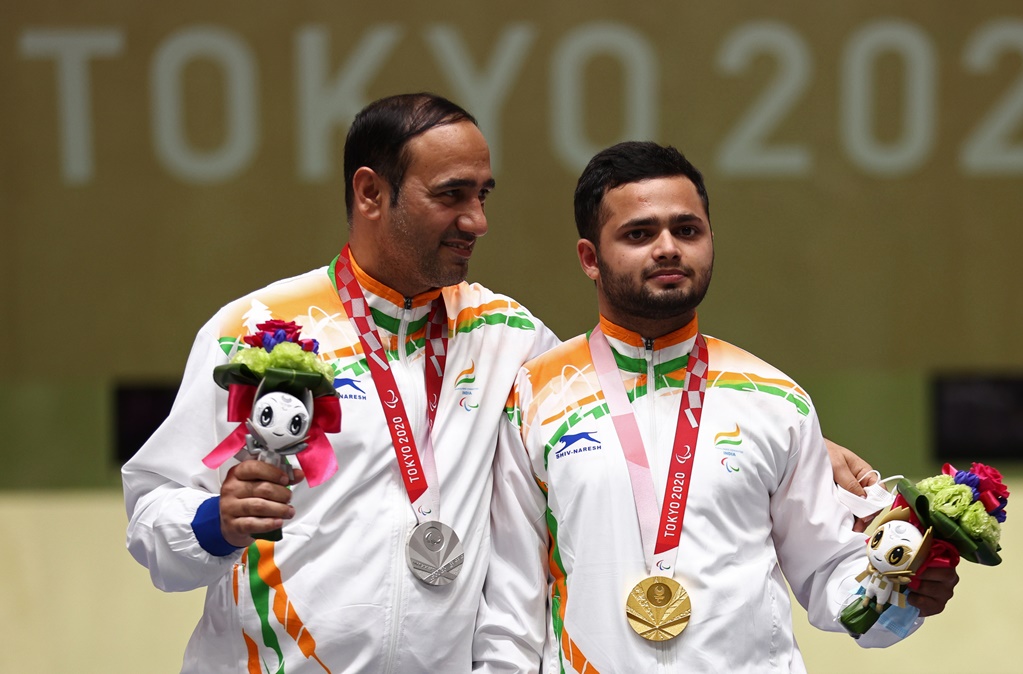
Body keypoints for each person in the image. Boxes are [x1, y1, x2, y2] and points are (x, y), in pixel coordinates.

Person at [123, 92, 879, 673]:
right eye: (452, 195)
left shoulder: (507, 338)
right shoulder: (259, 331)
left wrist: (799, 443)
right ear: (369, 193)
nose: (478, 220)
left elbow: (626, 398)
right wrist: (209, 525)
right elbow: (152, 510)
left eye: (484, 194)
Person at [473, 141, 958, 673]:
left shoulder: (775, 400)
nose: (668, 248)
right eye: (639, 233)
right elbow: (510, 614)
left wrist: (901, 590)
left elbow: (828, 576)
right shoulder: (533, 397)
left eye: (687, 230)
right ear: (590, 258)